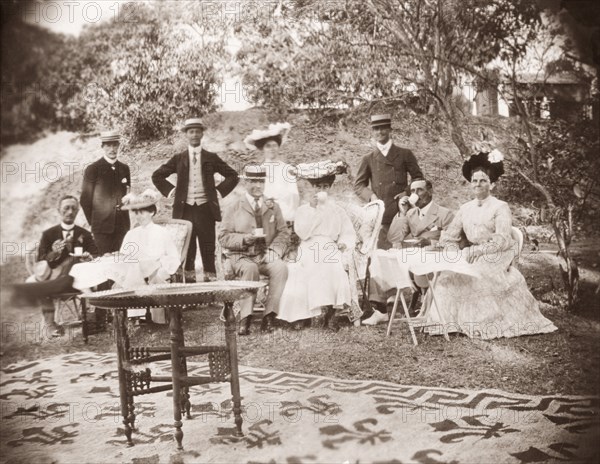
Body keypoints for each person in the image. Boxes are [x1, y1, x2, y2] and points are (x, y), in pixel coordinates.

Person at [422, 149, 558, 339]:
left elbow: (502, 238)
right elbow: (449, 236)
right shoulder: (465, 208)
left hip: (496, 254)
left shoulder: (500, 207)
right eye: (475, 181)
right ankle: (448, 322)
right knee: (449, 272)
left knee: (477, 273)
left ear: (491, 184)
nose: (478, 184)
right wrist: (452, 251)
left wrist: (480, 250)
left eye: (483, 180)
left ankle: (481, 323)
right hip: (472, 252)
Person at [152, 118, 239, 282]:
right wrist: (172, 192)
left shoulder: (211, 157)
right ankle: (189, 290)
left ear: (202, 134)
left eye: (197, 131)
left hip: (205, 210)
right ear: (186, 135)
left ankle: (211, 291)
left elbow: (233, 175)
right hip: (184, 212)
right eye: (191, 131)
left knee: (208, 250)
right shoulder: (179, 159)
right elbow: (157, 175)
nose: (194, 135)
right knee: (187, 252)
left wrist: (218, 193)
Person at [363, 178, 455, 325]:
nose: (415, 194)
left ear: (430, 191)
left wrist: (430, 242)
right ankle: (381, 309)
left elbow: (453, 243)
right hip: (412, 257)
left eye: (419, 190)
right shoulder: (410, 213)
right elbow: (393, 237)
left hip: (433, 258)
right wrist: (401, 213)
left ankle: (421, 304)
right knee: (380, 258)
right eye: (412, 191)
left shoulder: (445, 214)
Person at [277, 165, 356, 331]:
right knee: (306, 268)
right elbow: (303, 233)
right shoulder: (304, 210)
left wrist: (343, 242)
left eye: (325, 187)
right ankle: (310, 313)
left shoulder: (337, 210)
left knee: (334, 268)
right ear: (312, 188)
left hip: (329, 246)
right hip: (309, 246)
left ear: (329, 188)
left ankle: (334, 312)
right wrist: (312, 209)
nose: (322, 190)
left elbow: (348, 232)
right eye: (318, 186)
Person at [13, 195, 98, 337]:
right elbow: (41, 260)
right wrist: (54, 253)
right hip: (55, 278)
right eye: (66, 208)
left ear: (78, 211)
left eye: (74, 208)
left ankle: (92, 320)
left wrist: (88, 257)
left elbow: (96, 255)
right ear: (59, 210)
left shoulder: (85, 234)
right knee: (40, 284)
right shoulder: (48, 234)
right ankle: (50, 324)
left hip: (78, 282)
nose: (70, 212)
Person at [218, 165, 290, 335]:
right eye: (253, 181)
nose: (258, 185)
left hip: (265, 255)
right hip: (240, 256)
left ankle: (269, 316)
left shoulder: (272, 206)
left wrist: (274, 251)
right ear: (246, 182)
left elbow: (283, 233)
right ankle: (245, 318)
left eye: (261, 181)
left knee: (280, 268)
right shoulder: (234, 206)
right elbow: (223, 237)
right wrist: (243, 239)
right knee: (250, 269)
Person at [354, 114, 424, 250]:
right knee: (381, 255)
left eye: (383, 128)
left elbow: (419, 179)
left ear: (390, 130)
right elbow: (358, 185)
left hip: (402, 211)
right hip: (381, 214)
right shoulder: (368, 159)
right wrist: (371, 197)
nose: (380, 132)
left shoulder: (405, 154)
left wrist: (407, 193)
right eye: (376, 129)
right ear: (372, 132)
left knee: (403, 255)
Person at [118, 189, 181, 323]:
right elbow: (124, 257)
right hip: (136, 273)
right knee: (130, 274)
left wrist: (161, 269)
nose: (138, 216)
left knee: (153, 278)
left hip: (156, 272)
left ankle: (156, 317)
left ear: (151, 212)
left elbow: (173, 257)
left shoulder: (162, 232)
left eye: (142, 212)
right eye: (136, 213)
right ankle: (136, 316)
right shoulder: (131, 234)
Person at [80, 130, 131, 254]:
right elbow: (85, 200)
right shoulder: (93, 169)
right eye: (108, 145)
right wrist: (94, 223)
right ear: (102, 147)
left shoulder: (124, 168)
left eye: (114, 145)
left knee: (121, 264)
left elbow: (127, 196)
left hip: (122, 227)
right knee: (105, 264)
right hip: (101, 229)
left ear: (119, 146)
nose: (112, 149)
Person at [244, 122, 299, 223]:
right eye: (268, 146)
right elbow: (254, 194)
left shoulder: (287, 169)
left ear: (278, 147)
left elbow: (294, 194)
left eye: (275, 145)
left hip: (284, 213)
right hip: (264, 214)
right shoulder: (259, 170)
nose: (272, 149)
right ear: (262, 149)